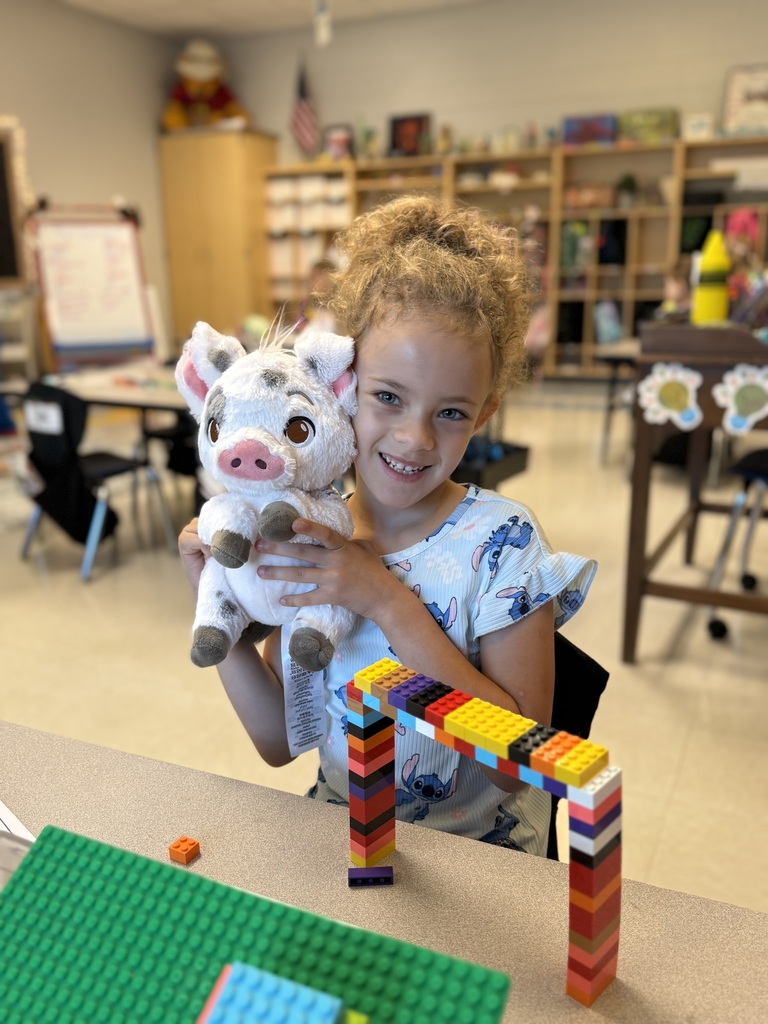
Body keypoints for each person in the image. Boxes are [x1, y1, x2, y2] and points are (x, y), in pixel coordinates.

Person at [179, 195, 597, 856]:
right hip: (344, 835)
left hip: (480, 860)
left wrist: (383, 600)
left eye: (452, 412)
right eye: (388, 397)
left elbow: (516, 760)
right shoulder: (310, 525)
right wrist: (218, 603)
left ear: (485, 413)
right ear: (342, 388)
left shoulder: (504, 545)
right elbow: (280, 741)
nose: (415, 437)